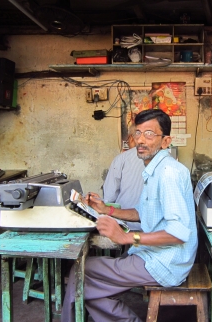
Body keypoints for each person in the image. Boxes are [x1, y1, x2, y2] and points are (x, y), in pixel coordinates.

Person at [62, 109, 198, 322]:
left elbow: (178, 232)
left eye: (150, 134)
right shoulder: (154, 170)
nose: (141, 140)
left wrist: (127, 238)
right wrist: (107, 209)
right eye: (138, 133)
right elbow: (143, 213)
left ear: (165, 141)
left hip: (166, 262)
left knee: (83, 271)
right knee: (88, 284)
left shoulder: (168, 173)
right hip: (154, 254)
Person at [103, 124, 145, 213]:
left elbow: (109, 196)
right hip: (155, 224)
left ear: (131, 138)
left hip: (125, 220)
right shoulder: (162, 159)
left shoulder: (122, 159)